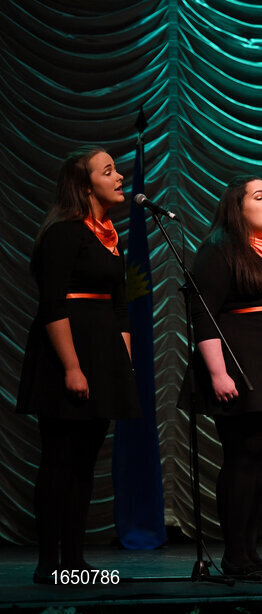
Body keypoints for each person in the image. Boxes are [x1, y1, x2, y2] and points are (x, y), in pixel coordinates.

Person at [16, 146, 141, 583]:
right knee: (59, 460)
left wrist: (121, 365)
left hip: (103, 355)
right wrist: (71, 367)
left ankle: (74, 560)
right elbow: (52, 305)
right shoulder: (64, 234)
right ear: (86, 185)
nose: (120, 176)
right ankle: (48, 563)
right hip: (66, 355)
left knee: (85, 464)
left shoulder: (109, 237)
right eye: (109, 171)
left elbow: (120, 309)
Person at [182, 176, 262, 577]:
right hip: (240, 365)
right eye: (260, 197)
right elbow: (203, 315)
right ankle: (234, 554)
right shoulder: (218, 251)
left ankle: (251, 551)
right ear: (236, 208)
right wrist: (218, 373)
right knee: (245, 457)